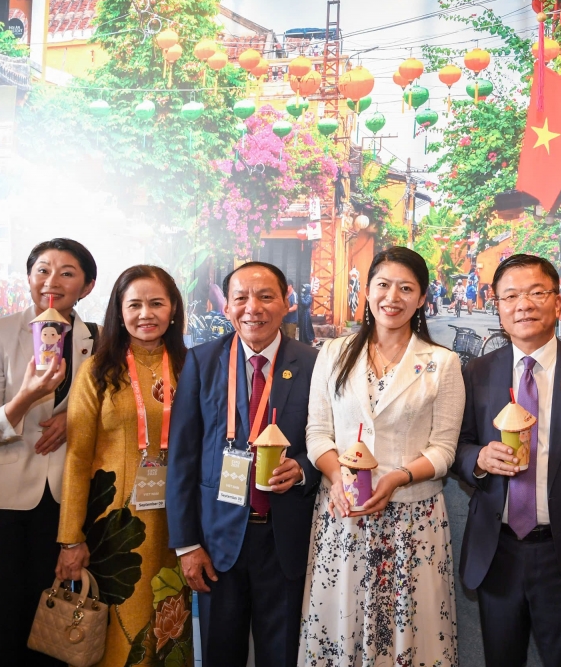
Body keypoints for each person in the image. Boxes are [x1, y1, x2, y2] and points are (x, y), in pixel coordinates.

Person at [454, 253, 561, 667]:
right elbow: (458, 446)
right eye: (510, 296)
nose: (523, 305)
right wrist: (479, 458)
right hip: (498, 552)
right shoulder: (477, 372)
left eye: (536, 293)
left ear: (558, 302)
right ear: (498, 306)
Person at [300, 247, 464, 665]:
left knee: (409, 637)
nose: (392, 297)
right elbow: (318, 433)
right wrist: (338, 478)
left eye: (406, 288)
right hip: (344, 515)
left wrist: (396, 478)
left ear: (422, 298)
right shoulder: (333, 353)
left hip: (413, 520)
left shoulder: (442, 363)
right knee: (341, 631)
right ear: (368, 291)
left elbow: (443, 450)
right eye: (383, 285)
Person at [166, 262, 320, 667]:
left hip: (286, 538)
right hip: (216, 540)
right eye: (241, 298)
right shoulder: (201, 362)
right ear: (227, 307)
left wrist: (304, 468)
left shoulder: (314, 364)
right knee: (220, 654)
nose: (253, 308)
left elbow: (329, 439)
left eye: (266, 296)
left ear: (286, 302)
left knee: (282, 655)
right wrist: (187, 544)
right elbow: (182, 458)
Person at [0, 238, 98, 667]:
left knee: (55, 621)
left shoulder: (97, 340)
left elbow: (112, 415)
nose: (51, 281)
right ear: (28, 277)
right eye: (42, 270)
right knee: (5, 618)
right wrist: (24, 397)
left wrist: (75, 418)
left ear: (87, 286)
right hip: (4, 501)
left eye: (67, 273)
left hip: (68, 502)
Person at [55, 265, 191, 666]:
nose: (146, 314)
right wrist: (70, 538)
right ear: (119, 310)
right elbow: (77, 458)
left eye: (156, 303)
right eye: (134, 305)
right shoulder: (97, 371)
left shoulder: (191, 368)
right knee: (116, 639)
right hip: (113, 529)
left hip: (176, 526)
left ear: (173, 309)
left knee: (167, 632)